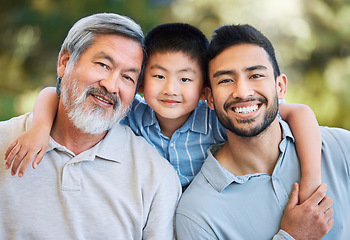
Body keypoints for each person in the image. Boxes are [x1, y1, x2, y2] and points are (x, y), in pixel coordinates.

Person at [5, 23, 320, 201]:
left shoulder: (214, 118)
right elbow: (53, 92)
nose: (172, 89)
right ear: (140, 84)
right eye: (159, 76)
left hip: (206, 212)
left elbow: (300, 113)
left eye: (185, 79)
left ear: (205, 92)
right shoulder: (131, 113)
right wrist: (39, 128)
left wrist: (311, 180)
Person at [0, 13, 181, 240]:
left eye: (127, 77)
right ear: (65, 63)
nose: (112, 85)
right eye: (104, 65)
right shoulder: (4, 140)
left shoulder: (155, 177)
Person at [175, 24, 350, 239]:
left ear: (280, 86)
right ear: (210, 98)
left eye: (256, 75)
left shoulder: (341, 148)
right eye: (226, 80)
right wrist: (291, 237)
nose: (242, 92)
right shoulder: (197, 215)